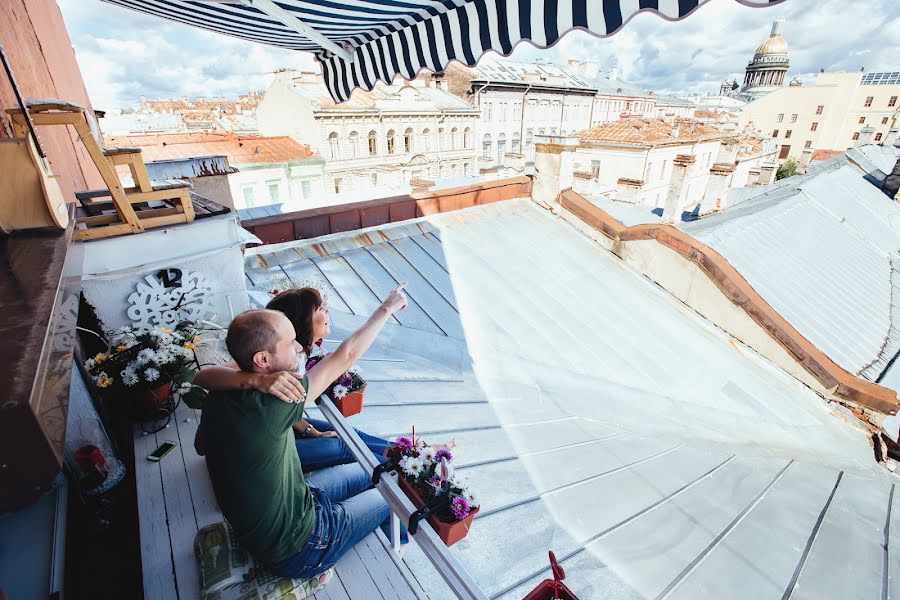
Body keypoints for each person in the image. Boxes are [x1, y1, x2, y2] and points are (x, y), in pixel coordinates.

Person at [200, 285, 408, 578]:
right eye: (291, 342)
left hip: (296, 505)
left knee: (382, 468)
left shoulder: (221, 393)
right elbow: (345, 355)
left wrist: (252, 383)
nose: (299, 347)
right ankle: (394, 570)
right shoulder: (274, 400)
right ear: (262, 360)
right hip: (302, 547)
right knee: (399, 493)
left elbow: (200, 442)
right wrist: (386, 309)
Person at [194, 287, 394, 470]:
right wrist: (257, 381)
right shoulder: (265, 364)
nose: (327, 312)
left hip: (271, 428)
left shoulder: (290, 355)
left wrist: (311, 431)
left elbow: (287, 405)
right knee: (344, 446)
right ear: (302, 322)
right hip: (246, 455)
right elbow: (203, 376)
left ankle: (405, 452)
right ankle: (398, 466)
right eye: (320, 309)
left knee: (349, 434)